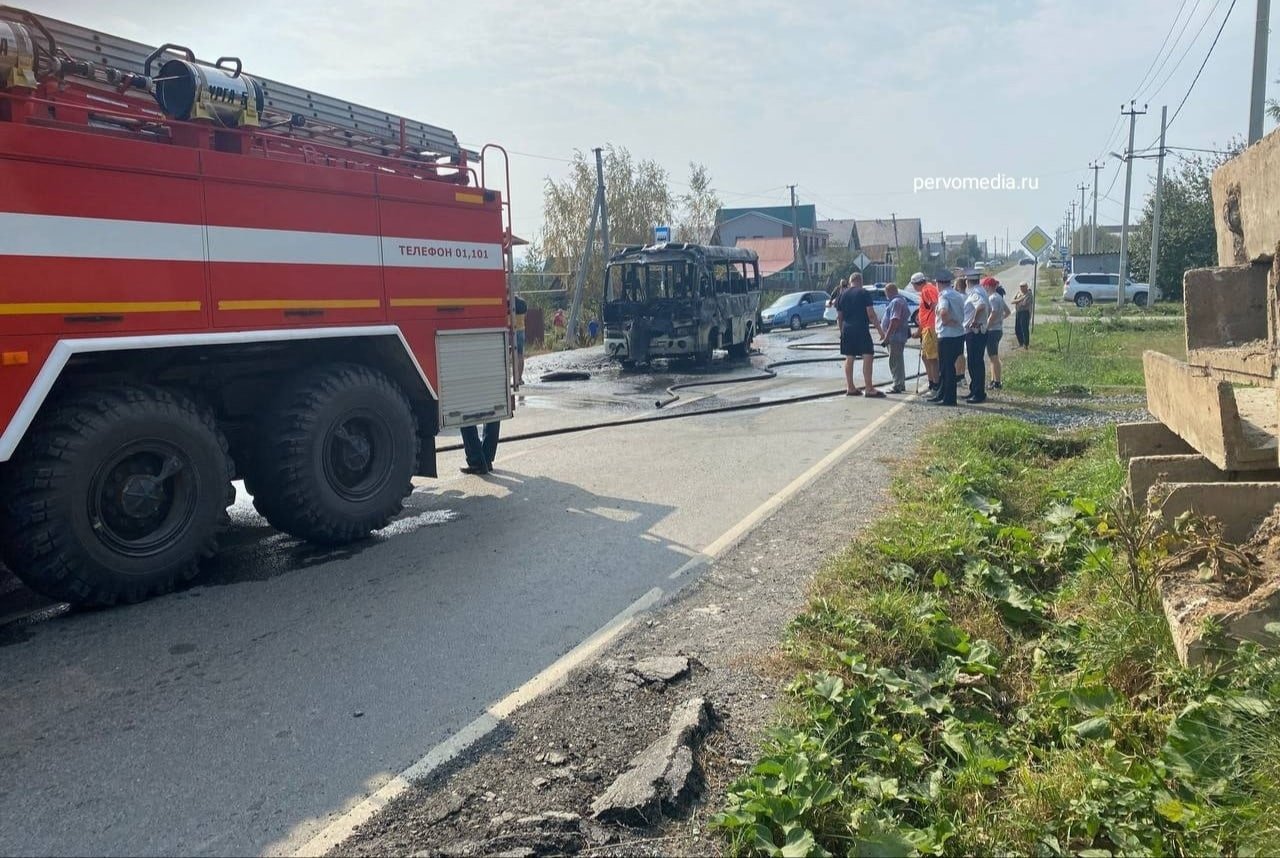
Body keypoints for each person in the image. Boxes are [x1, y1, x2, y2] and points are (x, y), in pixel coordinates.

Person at [836, 273, 886, 397]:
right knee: (868, 356)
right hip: (861, 328)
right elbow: (871, 315)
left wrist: (841, 332)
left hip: (847, 329)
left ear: (850, 281)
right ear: (860, 281)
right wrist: (881, 332)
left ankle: (850, 387)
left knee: (849, 357)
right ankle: (869, 388)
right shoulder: (864, 293)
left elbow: (839, 317)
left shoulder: (842, 295)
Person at [929, 274, 966, 406]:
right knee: (949, 366)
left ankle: (948, 398)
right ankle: (942, 394)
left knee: (946, 368)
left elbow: (943, 312)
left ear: (939, 283)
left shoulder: (944, 295)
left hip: (947, 335)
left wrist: (947, 321)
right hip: (958, 335)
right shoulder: (957, 295)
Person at [963, 273, 992, 404]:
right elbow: (988, 308)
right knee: (976, 363)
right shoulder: (982, 291)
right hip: (980, 331)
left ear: (969, 281)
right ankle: (974, 389)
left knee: (974, 363)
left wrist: (974, 320)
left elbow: (981, 306)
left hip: (975, 332)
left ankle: (978, 393)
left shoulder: (975, 293)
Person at [911, 272, 940, 393]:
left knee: (931, 358)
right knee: (925, 356)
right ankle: (931, 382)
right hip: (927, 327)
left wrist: (925, 322)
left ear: (915, 284)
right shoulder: (929, 288)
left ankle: (936, 385)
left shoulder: (926, 290)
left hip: (930, 328)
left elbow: (934, 304)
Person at [880, 282, 911, 393]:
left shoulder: (896, 302)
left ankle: (898, 384)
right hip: (898, 336)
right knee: (897, 360)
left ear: (889, 292)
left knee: (895, 361)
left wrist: (887, 336)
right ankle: (899, 383)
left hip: (895, 337)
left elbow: (894, 320)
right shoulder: (901, 300)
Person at [983, 277, 1011, 389]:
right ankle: (993, 380)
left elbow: (993, 313)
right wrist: (1001, 319)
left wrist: (987, 326)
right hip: (997, 329)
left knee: (994, 357)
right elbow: (1008, 312)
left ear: (989, 286)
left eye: (985, 285)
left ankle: (997, 381)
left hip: (992, 330)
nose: (984, 287)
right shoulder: (999, 297)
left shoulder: (992, 298)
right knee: (992, 356)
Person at [512, 292, 527, 390]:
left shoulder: (509, 303)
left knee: (513, 355)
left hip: (512, 330)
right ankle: (519, 378)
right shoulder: (523, 303)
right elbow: (525, 315)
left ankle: (514, 379)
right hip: (521, 330)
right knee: (520, 355)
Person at [1012, 281, 1032, 348]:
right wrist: (1021, 299)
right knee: (1017, 328)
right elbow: (1012, 301)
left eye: (1023, 286)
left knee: (1024, 329)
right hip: (1018, 312)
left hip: (1025, 312)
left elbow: (1024, 304)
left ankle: (1026, 344)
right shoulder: (1018, 293)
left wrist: (1017, 301)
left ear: (1026, 286)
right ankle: (1021, 343)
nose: (1022, 288)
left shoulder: (1029, 294)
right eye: (1021, 286)